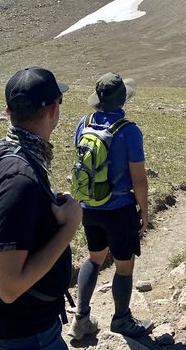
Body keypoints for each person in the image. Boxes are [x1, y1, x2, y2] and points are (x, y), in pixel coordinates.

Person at [0, 66, 82, 350]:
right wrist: (69, 227)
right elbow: (9, 288)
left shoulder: (15, 157)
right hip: (22, 334)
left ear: (9, 111)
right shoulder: (19, 179)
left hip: (22, 326)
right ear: (52, 110)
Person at [69, 72, 154, 340]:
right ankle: (121, 320)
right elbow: (139, 180)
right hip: (119, 209)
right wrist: (144, 211)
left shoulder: (83, 124)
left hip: (90, 206)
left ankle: (81, 318)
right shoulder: (129, 131)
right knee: (124, 265)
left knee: (93, 258)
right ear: (122, 100)